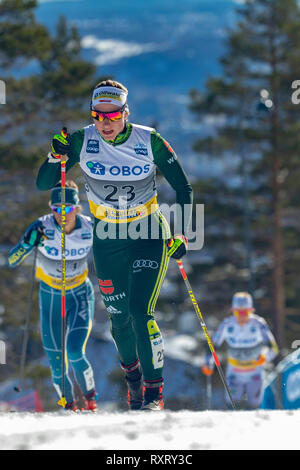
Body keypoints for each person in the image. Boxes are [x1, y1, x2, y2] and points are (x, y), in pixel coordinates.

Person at [36, 79, 193, 411]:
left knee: (140, 313)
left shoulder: (149, 140)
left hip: (148, 231)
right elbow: (44, 183)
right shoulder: (82, 140)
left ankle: (154, 394)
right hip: (108, 238)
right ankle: (133, 383)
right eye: (98, 115)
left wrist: (185, 234)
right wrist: (55, 155)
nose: (105, 123)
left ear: (125, 112)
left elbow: (184, 188)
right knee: (118, 318)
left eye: (112, 115)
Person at [8, 181, 98, 412]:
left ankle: (90, 400)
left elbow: (114, 251)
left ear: (77, 209)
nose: (61, 214)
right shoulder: (42, 227)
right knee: (57, 364)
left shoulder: (90, 227)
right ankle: (68, 407)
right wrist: (29, 242)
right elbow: (12, 259)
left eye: (67, 209)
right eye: (56, 209)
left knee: (76, 352)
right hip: (50, 297)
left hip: (79, 294)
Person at [202, 291, 279, 409]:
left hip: (254, 371)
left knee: (254, 405)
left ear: (251, 310)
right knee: (233, 404)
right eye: (238, 312)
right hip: (235, 372)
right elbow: (212, 345)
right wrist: (208, 363)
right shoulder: (227, 325)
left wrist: (265, 357)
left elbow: (273, 348)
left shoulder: (258, 324)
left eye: (245, 312)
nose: (242, 316)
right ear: (233, 311)